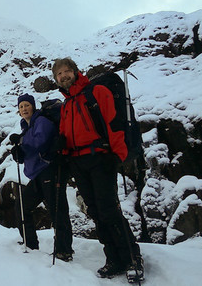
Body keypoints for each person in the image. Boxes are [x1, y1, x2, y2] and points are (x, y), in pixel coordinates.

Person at [51, 58, 144, 281]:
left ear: (75, 72)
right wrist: (61, 149)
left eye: (66, 71)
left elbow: (113, 123)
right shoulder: (66, 105)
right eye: (59, 74)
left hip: (100, 158)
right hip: (78, 163)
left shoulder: (96, 92)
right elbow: (65, 135)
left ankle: (132, 258)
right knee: (95, 212)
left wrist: (118, 155)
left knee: (109, 210)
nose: (63, 76)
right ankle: (113, 258)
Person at [10, 93, 74, 262]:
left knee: (57, 209)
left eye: (27, 105)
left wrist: (22, 145)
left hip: (50, 169)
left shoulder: (42, 121)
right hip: (38, 173)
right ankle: (30, 244)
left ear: (33, 106)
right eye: (21, 106)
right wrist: (18, 154)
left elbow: (41, 142)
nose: (24, 109)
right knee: (22, 206)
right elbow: (30, 150)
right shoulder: (27, 127)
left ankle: (64, 250)